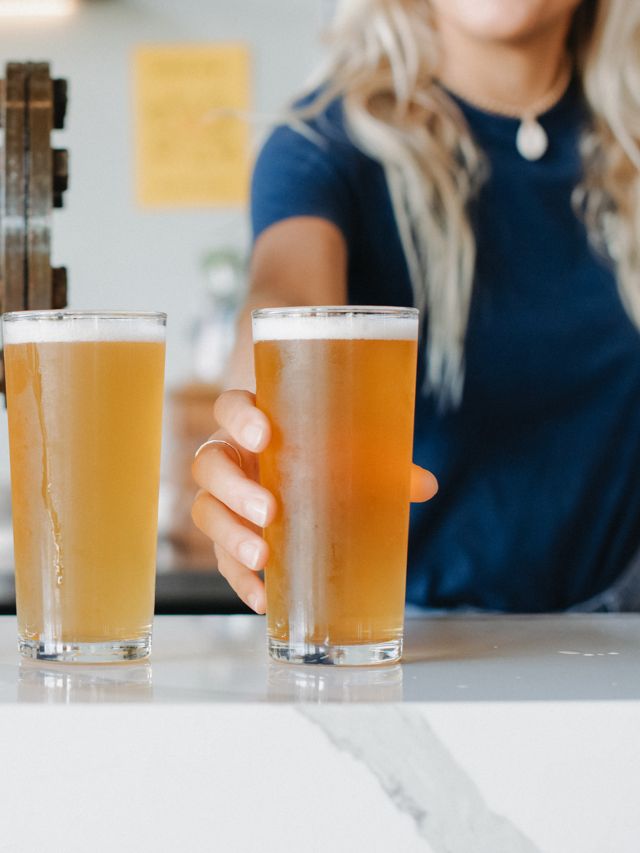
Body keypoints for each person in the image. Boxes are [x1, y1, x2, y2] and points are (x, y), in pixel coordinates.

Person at [191, 0, 640, 615]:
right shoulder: (321, 146)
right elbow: (285, 297)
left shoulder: (628, 139)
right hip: (405, 641)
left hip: (620, 638)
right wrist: (250, 427)